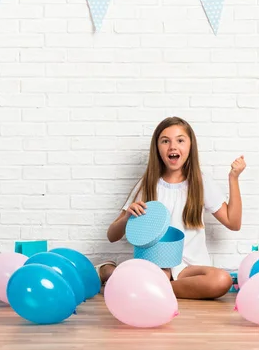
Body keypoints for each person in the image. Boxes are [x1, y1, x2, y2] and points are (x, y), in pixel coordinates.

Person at [97, 116, 246, 300]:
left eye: (180, 140)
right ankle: (115, 274)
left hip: (190, 269)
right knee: (163, 274)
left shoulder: (200, 182)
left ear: (190, 146)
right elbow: (112, 236)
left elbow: (233, 223)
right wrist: (128, 216)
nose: (172, 147)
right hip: (156, 265)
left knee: (222, 280)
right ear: (157, 148)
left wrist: (233, 179)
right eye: (165, 141)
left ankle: (147, 286)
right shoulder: (148, 184)